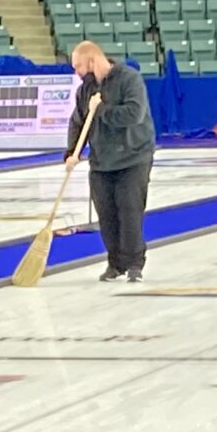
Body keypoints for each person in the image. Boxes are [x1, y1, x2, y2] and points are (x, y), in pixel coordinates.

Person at [69, 39, 156, 283]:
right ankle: (115, 263)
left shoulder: (130, 79)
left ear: (91, 60)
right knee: (106, 214)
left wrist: (101, 109)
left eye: (78, 66)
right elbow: (78, 121)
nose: (76, 73)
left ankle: (135, 264)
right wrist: (72, 151)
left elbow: (133, 114)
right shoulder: (84, 91)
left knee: (129, 210)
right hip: (101, 161)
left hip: (134, 156)